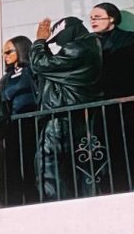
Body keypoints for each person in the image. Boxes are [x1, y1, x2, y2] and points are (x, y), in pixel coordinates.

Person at [30, 16, 103, 200]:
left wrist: (39, 42)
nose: (59, 45)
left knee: (49, 163)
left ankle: (55, 205)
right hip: (73, 114)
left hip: (62, 114)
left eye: (58, 39)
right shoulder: (89, 47)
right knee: (76, 166)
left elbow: (41, 64)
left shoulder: (78, 48)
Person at [88, 2, 134, 192]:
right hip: (101, 108)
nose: (93, 20)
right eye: (91, 17)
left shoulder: (128, 39)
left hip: (126, 105)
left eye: (97, 16)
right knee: (106, 153)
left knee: (131, 151)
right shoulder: (89, 43)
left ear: (112, 18)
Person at [0, 36, 39, 207]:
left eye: (9, 51)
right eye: (4, 52)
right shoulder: (6, 78)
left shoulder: (33, 71)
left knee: (29, 166)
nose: (5, 55)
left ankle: (33, 201)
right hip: (10, 128)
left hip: (29, 124)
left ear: (21, 49)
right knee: (8, 169)